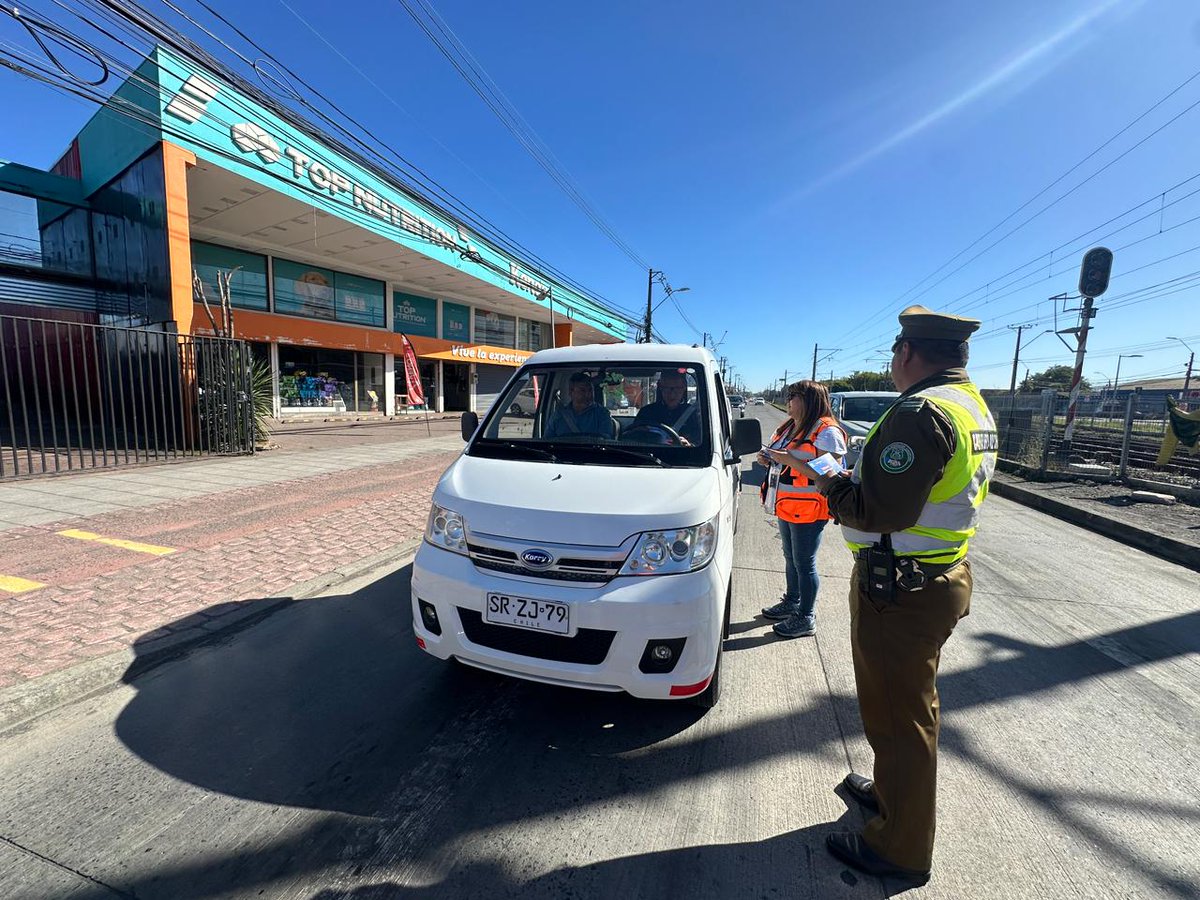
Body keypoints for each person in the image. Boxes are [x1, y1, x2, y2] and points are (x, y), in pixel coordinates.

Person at [797, 305, 997, 885]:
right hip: (934, 577)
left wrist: (825, 479)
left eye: (893, 354)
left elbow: (878, 509)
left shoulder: (920, 413)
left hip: (902, 591)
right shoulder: (971, 405)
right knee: (901, 709)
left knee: (899, 720)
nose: (892, 363)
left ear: (907, 353)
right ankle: (890, 799)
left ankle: (899, 850)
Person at [758, 381, 847, 638]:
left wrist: (789, 460)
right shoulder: (788, 426)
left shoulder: (826, 431)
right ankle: (792, 601)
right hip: (787, 505)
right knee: (790, 558)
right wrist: (768, 459)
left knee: (805, 563)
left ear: (808, 400)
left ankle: (806, 617)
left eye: (793, 396)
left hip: (810, 509)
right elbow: (778, 457)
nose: (788, 400)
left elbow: (833, 474)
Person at [631, 370, 702, 444]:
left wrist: (689, 445)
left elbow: (702, 444)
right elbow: (633, 439)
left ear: (684, 388)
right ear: (661, 388)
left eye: (677, 389)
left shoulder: (694, 414)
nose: (672, 395)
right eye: (667, 388)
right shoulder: (646, 412)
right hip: (648, 454)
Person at [544, 371, 614, 439]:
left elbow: (605, 441)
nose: (588, 394)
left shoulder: (602, 414)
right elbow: (547, 441)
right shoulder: (558, 416)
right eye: (582, 390)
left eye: (590, 390)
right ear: (571, 391)